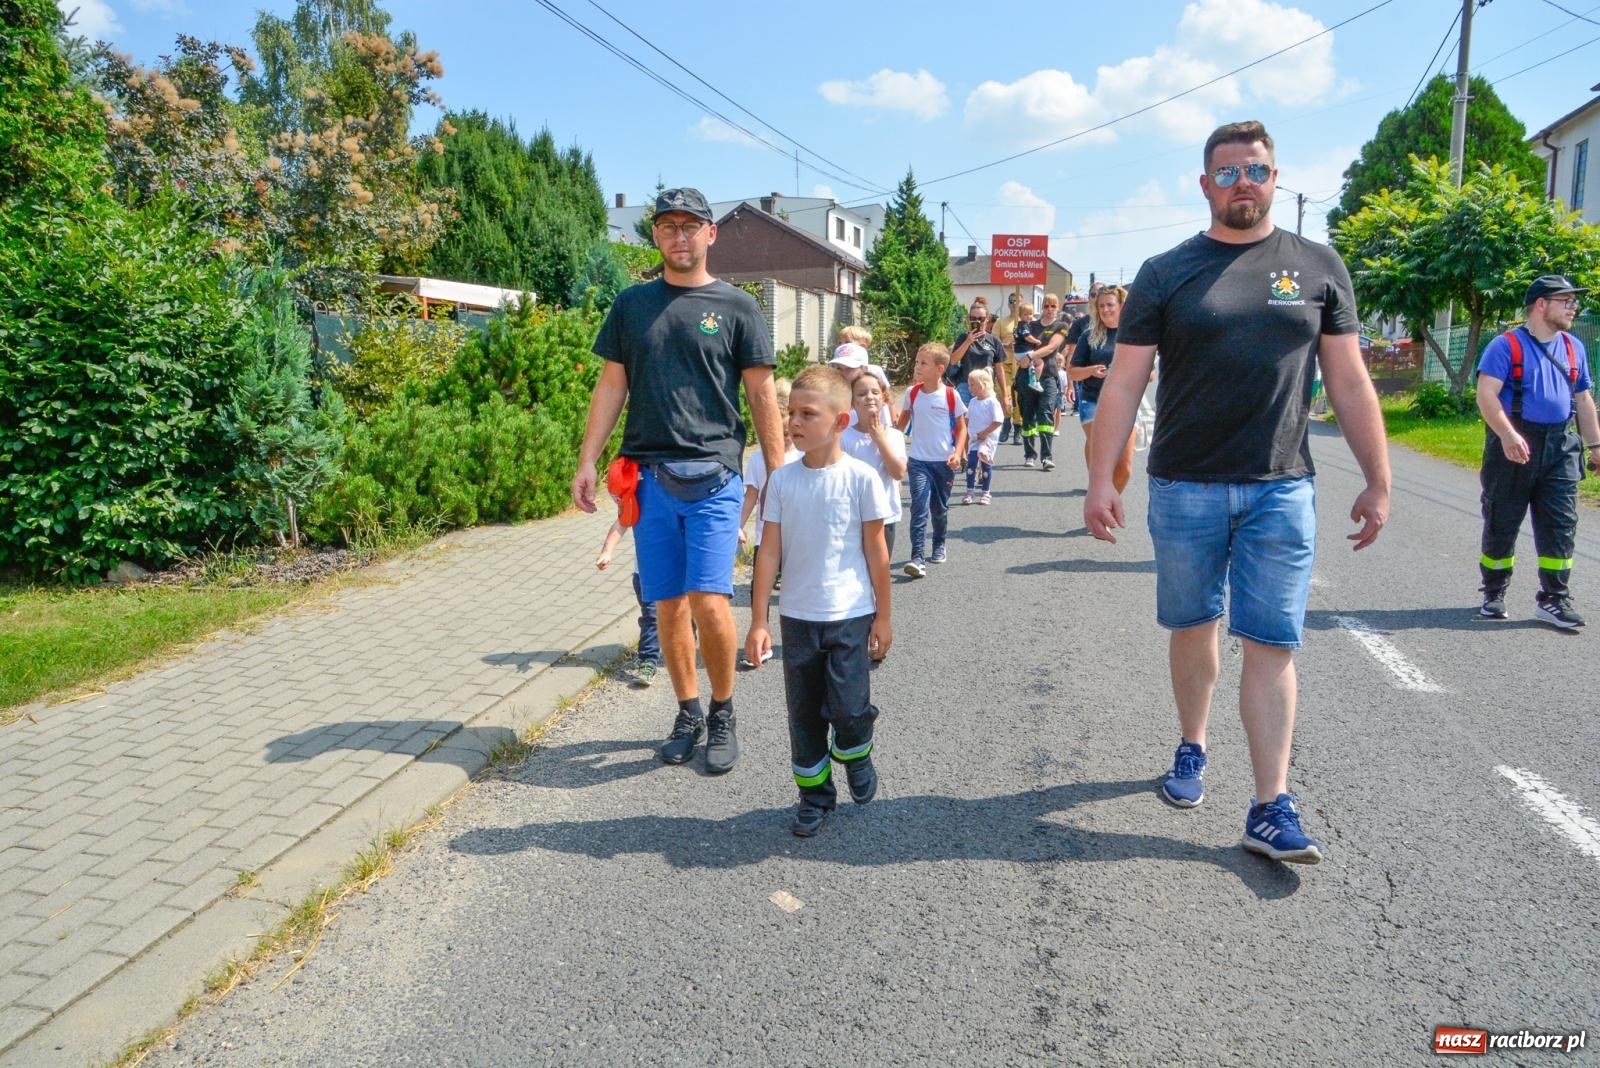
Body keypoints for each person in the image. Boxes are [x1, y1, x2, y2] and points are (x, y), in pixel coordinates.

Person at [1083, 120, 1391, 865]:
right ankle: (1193, 745)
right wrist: (1100, 477)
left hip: (1281, 488)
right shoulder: (1165, 271)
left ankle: (1269, 805)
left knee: (1273, 641)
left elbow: (1348, 379)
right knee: (1194, 627)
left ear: (1276, 177)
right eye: (1226, 173)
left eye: (1254, 170)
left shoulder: (1318, 266)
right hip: (1185, 484)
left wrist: (1378, 477)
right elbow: (1125, 381)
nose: (1241, 184)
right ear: (1204, 185)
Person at [573, 186, 786, 774]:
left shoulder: (739, 307)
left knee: (710, 601)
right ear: (657, 236)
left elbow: (761, 393)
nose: (679, 236)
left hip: (716, 477)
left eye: (691, 226)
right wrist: (588, 459)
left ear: (710, 234)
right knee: (667, 605)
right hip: (649, 479)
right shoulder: (632, 305)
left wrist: (779, 474)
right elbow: (612, 385)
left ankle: (723, 711)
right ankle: (687, 711)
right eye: (668, 226)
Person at [744, 365, 893, 837]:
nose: (795, 423)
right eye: (792, 414)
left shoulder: (861, 478)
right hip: (798, 619)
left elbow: (877, 551)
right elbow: (769, 551)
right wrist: (759, 619)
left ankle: (857, 751)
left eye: (808, 413)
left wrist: (883, 617)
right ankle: (815, 796)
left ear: (841, 422)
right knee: (804, 716)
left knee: (849, 710)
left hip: (851, 615)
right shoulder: (783, 481)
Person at [1474, 274, 1600, 629]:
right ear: (1541, 305)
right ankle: (1494, 593)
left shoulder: (1574, 347)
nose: (1574, 307)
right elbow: (1486, 395)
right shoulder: (1505, 346)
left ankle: (1554, 599)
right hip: (1514, 443)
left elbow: (1584, 399)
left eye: (1574, 301)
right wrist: (1507, 435)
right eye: (1566, 301)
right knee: (1502, 520)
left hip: (1560, 445)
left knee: (1561, 524)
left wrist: (1595, 446)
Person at [896, 342, 968, 577]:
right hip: (918, 461)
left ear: (939, 369)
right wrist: (891, 446)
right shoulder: (912, 393)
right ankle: (917, 557)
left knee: (939, 509)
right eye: (917, 362)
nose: (917, 367)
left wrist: (957, 453)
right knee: (919, 508)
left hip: (943, 463)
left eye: (923, 363)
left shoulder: (950, 394)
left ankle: (939, 543)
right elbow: (901, 425)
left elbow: (962, 428)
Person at [1070, 285, 1137, 492]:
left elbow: (1150, 374)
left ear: (1121, 306)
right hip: (1093, 401)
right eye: (1101, 306)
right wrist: (1090, 370)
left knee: (1124, 467)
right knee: (1103, 465)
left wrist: (1124, 371)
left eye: (1110, 304)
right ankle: (1100, 501)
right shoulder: (1089, 336)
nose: (1106, 309)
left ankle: (1108, 501)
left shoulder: (1134, 334)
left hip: (1125, 403)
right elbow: (1072, 372)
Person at [594, 487, 660, 689]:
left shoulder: (679, 497)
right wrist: (607, 551)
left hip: (677, 572)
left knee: (682, 612)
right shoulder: (637, 499)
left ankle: (685, 639)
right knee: (652, 617)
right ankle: (648, 661)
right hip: (646, 573)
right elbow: (622, 522)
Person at [841, 369, 907, 570]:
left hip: (884, 515)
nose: (869, 397)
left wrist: (879, 439)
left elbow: (898, 472)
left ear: (884, 398)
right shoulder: (843, 437)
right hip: (851, 518)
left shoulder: (894, 436)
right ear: (852, 402)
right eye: (861, 394)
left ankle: (880, 603)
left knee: (879, 572)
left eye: (875, 392)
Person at [1023, 295, 1067, 470]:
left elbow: (1051, 347)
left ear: (1057, 307)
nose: (1049, 309)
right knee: (1028, 415)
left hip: (1048, 375)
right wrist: (1022, 356)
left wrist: (1030, 356)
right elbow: (1020, 344)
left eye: (1053, 306)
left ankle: (1047, 456)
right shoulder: (1031, 326)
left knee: (1046, 413)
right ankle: (1029, 454)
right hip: (1027, 375)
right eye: (1046, 305)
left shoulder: (1061, 326)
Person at [949, 302, 1011, 413]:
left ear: (987, 319)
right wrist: (968, 341)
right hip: (965, 386)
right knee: (966, 423)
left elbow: (999, 369)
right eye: (973, 318)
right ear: (969, 319)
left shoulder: (994, 340)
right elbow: (953, 360)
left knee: (983, 422)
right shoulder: (963, 338)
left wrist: (1005, 395)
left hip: (985, 387)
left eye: (981, 319)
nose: (977, 322)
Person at [962, 368, 1003, 505]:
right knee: (971, 464)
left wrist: (985, 433)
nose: (970, 387)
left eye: (972, 384)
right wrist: (961, 431)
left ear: (983, 384)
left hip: (987, 440)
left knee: (985, 465)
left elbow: (998, 420)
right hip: (974, 439)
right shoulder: (973, 402)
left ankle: (986, 492)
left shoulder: (992, 402)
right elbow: (967, 419)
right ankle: (970, 491)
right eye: (969, 384)